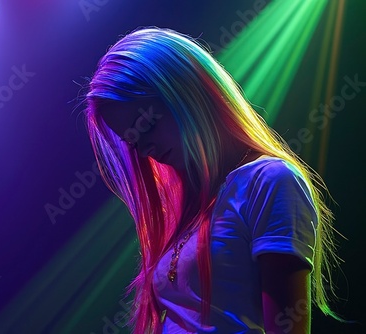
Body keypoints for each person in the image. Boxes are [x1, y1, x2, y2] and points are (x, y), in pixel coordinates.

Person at [83, 27, 343, 333]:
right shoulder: (191, 207)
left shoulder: (268, 181)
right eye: (133, 142)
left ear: (190, 93)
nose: (145, 149)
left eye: (149, 124)